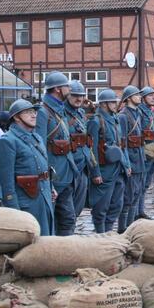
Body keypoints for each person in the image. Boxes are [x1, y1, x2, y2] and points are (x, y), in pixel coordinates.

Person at [0, 100, 54, 234]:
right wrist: (14, 211)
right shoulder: (7, 141)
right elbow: (5, 182)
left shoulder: (36, 137)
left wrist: (51, 187)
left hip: (43, 198)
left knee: (46, 241)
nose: (33, 115)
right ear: (16, 117)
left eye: (34, 112)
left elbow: (42, 167)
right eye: (28, 112)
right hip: (26, 204)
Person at [35, 71, 79, 236]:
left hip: (66, 173)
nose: (70, 88)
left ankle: (64, 253)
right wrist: (47, 177)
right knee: (53, 221)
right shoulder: (43, 112)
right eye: (67, 86)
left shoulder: (58, 109)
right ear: (58, 89)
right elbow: (40, 147)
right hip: (53, 176)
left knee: (68, 219)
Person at [87, 89, 131, 233]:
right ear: (104, 104)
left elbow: (121, 144)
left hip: (118, 169)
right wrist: (95, 173)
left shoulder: (115, 118)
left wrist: (126, 164)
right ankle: (101, 234)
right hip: (104, 170)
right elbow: (91, 149)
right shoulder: (96, 121)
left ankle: (109, 231)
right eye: (112, 102)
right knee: (101, 207)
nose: (115, 104)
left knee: (116, 205)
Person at [117, 86, 146, 233]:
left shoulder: (137, 113)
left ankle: (131, 227)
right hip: (132, 161)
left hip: (140, 158)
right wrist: (126, 163)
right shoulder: (123, 116)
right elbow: (122, 144)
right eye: (136, 95)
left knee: (137, 194)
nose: (140, 97)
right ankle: (123, 229)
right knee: (128, 196)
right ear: (128, 98)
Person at [65, 81, 94, 218]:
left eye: (81, 96)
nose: (79, 99)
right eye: (75, 95)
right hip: (69, 166)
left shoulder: (81, 113)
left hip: (83, 164)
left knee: (78, 206)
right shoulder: (62, 113)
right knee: (67, 211)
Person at [137, 86, 154, 219]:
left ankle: (141, 210)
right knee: (140, 183)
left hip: (152, 151)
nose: (153, 97)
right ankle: (138, 212)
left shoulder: (150, 112)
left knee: (146, 184)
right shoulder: (140, 112)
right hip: (144, 152)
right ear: (143, 98)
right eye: (150, 95)